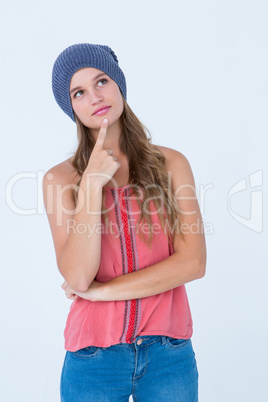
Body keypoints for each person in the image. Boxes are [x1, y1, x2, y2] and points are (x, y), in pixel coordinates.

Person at [43, 43, 207, 402]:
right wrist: (90, 185)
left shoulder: (171, 164)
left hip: (169, 355)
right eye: (79, 92)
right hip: (93, 360)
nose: (95, 97)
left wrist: (102, 293)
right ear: (70, 106)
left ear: (118, 84)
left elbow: (193, 263)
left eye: (102, 81)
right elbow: (78, 276)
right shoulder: (60, 180)